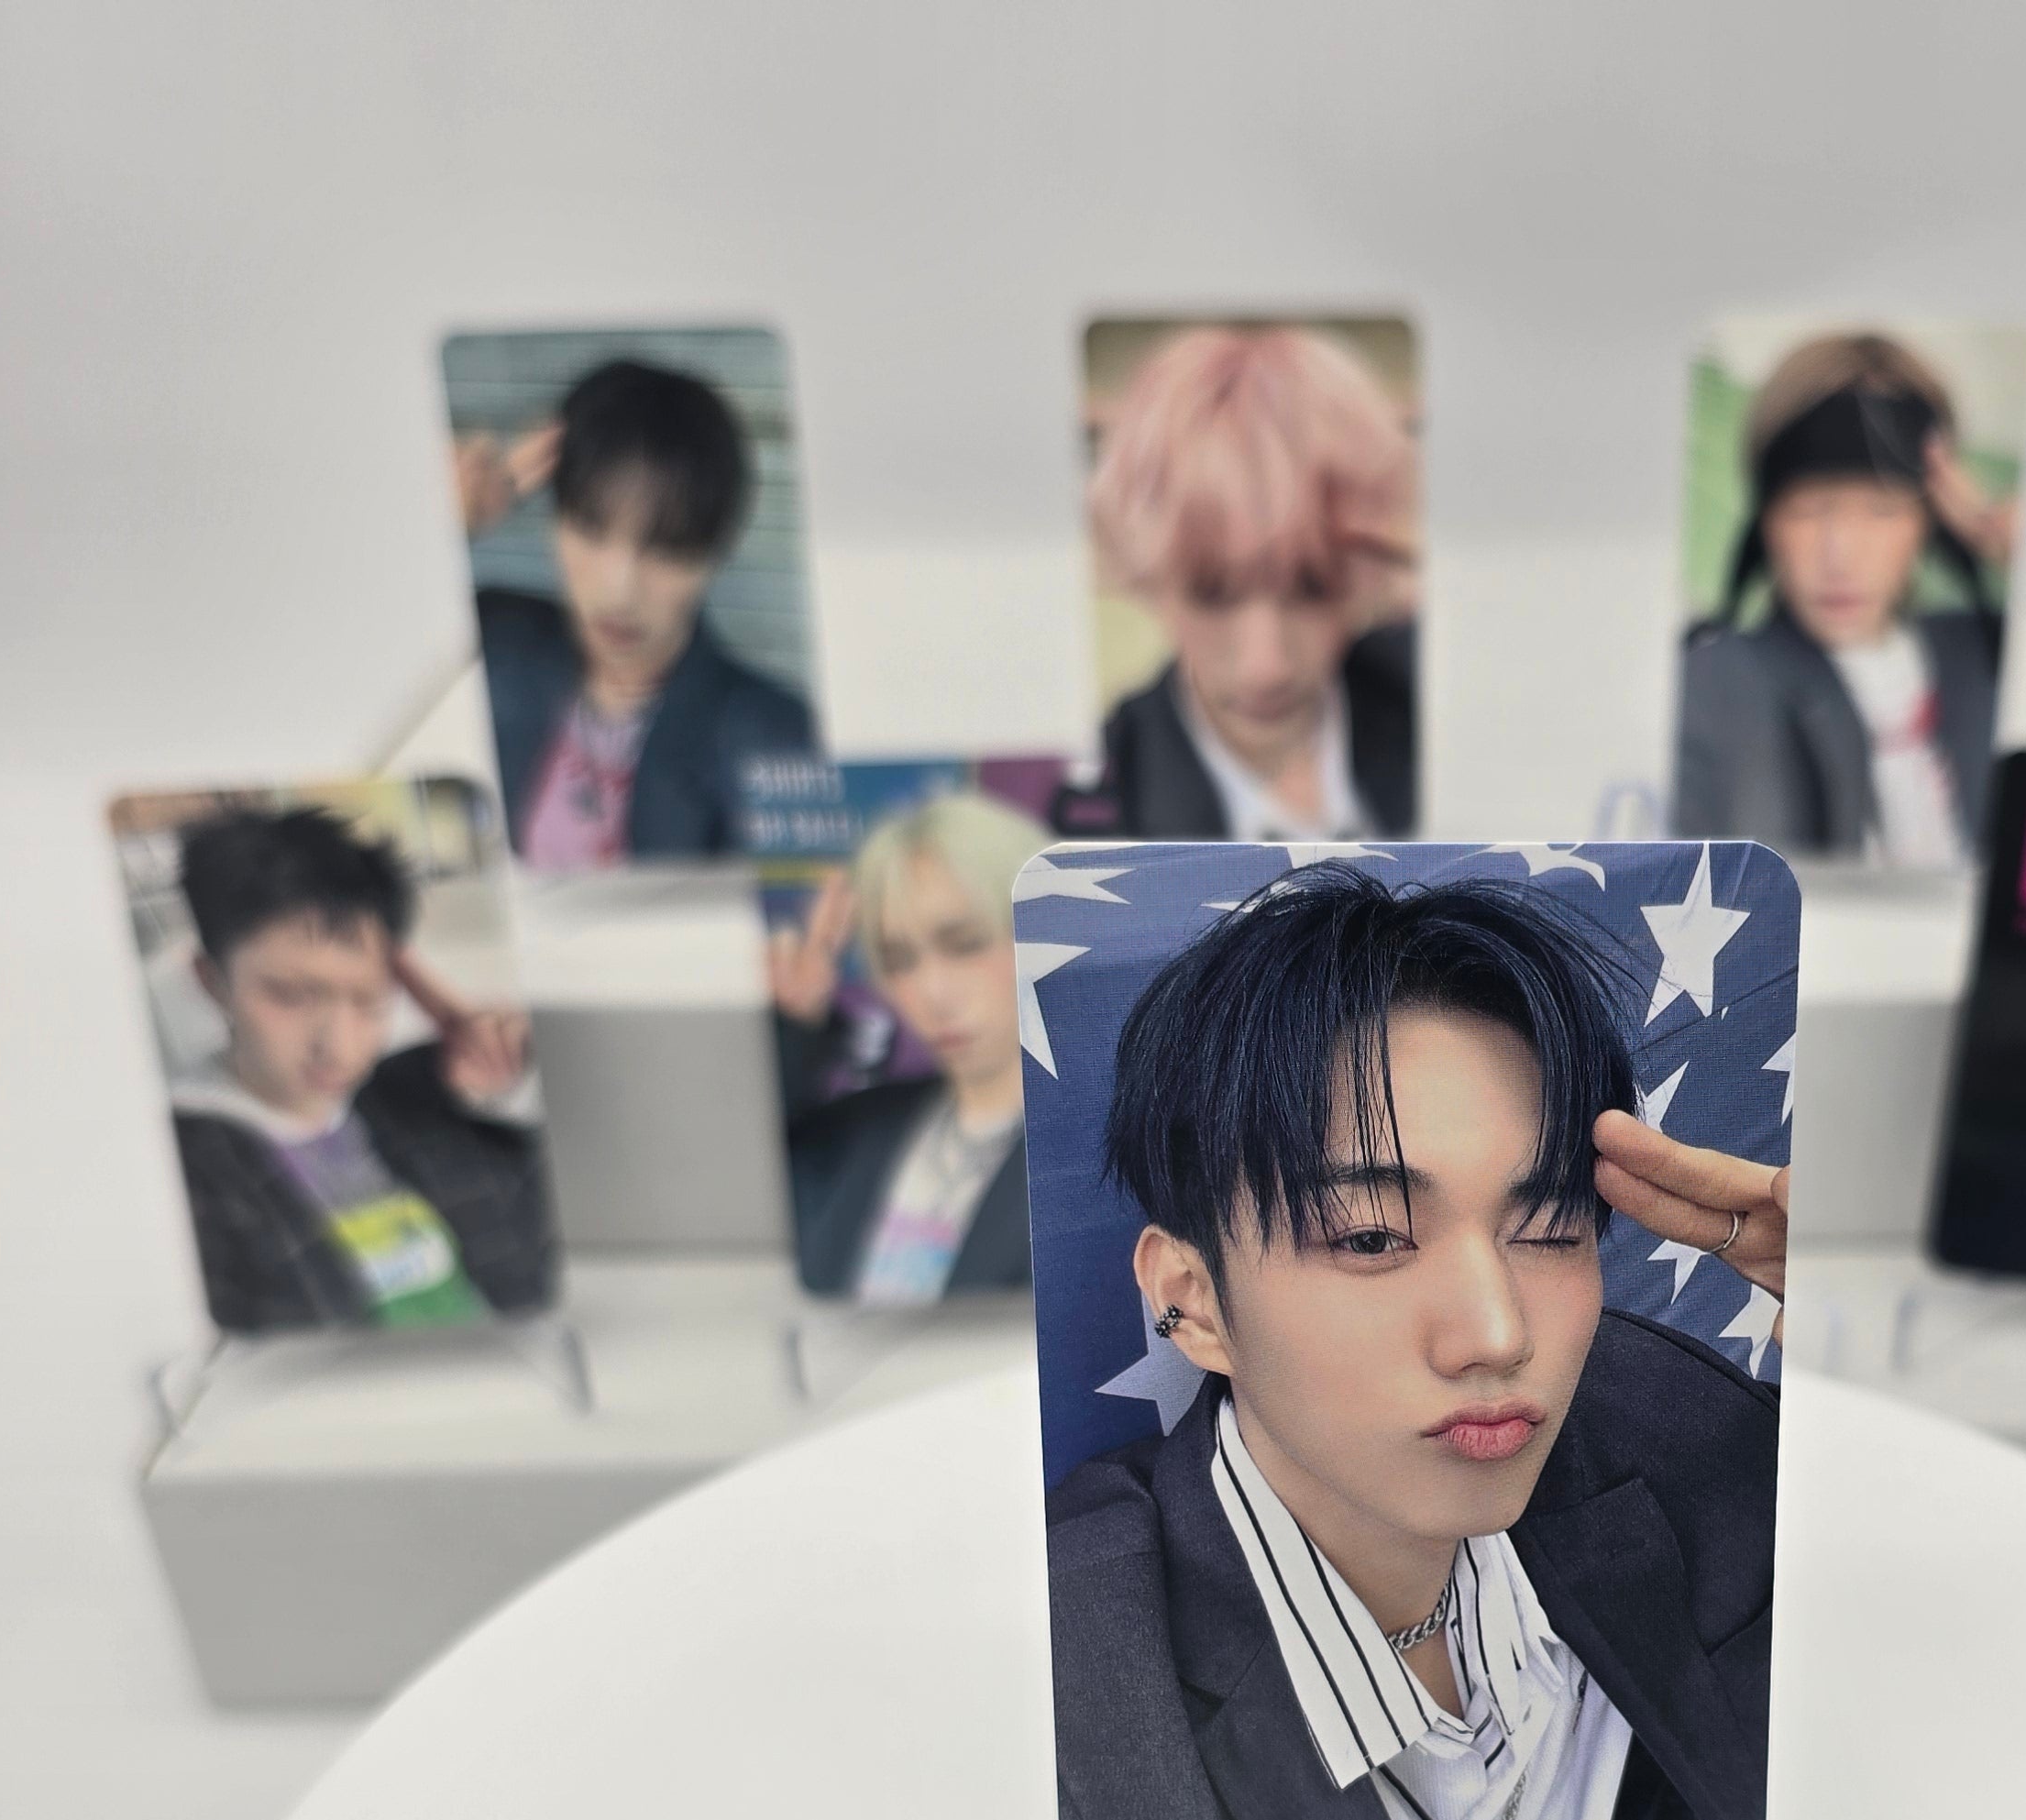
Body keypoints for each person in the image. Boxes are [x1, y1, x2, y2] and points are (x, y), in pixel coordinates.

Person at [1044, 866, 1792, 1820]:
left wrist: (1863, 1392)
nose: (1496, 1333)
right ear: (1190, 1301)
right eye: (1370, 1238)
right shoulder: (1071, 1696)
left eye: (1549, 1227)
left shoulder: (1696, 1439)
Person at [166, 805, 556, 1333]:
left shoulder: (434, 1090)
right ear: (211, 980)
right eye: (290, 996)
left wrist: (515, 1079)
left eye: (369, 1000)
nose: (338, 1045)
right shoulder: (177, 1165)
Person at [1057, 325, 1419, 843]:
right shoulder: (1093, 818)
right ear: (1149, 576)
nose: (1264, 667)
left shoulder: (1436, 697)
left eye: (1312, 587)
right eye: (1212, 594)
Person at [1673, 330, 2020, 866]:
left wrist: (2017, 552)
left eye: (1882, 509)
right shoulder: (1715, 683)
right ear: (1765, 522)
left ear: (1930, 520)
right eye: (1808, 509)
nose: (1841, 555)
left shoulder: (1989, 659)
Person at [455, 356, 819, 866]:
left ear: (717, 551)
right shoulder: (493, 640)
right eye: (590, 529)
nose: (619, 591)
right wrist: (446, 525)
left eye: (666, 548)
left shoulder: (776, 739)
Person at [766, 791, 1041, 1304]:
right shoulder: (851, 1132)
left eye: (965, 945)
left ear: (1043, 931)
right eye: (900, 961)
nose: (933, 992)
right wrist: (795, 1027)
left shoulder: (1115, 1156)